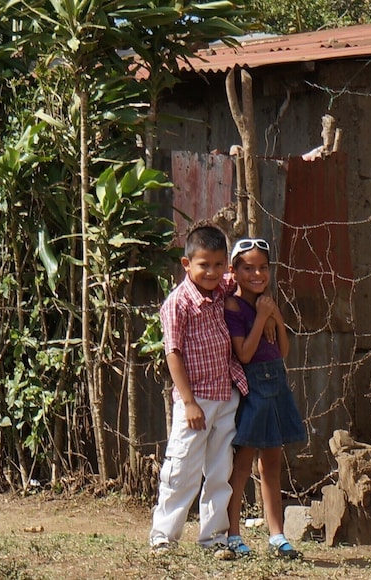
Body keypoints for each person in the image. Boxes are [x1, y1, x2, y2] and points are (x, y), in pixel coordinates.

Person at [149, 223, 249, 561]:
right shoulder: (178, 304)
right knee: (182, 469)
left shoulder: (221, 290)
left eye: (219, 264)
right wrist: (189, 402)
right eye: (203, 264)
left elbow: (242, 276)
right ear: (186, 264)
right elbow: (173, 353)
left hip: (224, 396)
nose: (211, 272)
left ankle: (214, 537)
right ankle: (164, 536)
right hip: (195, 401)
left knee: (220, 470)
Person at [223, 238, 307, 560]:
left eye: (263, 268)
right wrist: (261, 317)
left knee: (272, 463)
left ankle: (277, 535)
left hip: (277, 383)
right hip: (253, 388)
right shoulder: (234, 307)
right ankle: (233, 534)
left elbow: (283, 350)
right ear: (234, 271)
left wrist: (275, 317)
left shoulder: (267, 303)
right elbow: (244, 354)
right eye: (248, 268)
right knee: (243, 463)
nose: (256, 274)